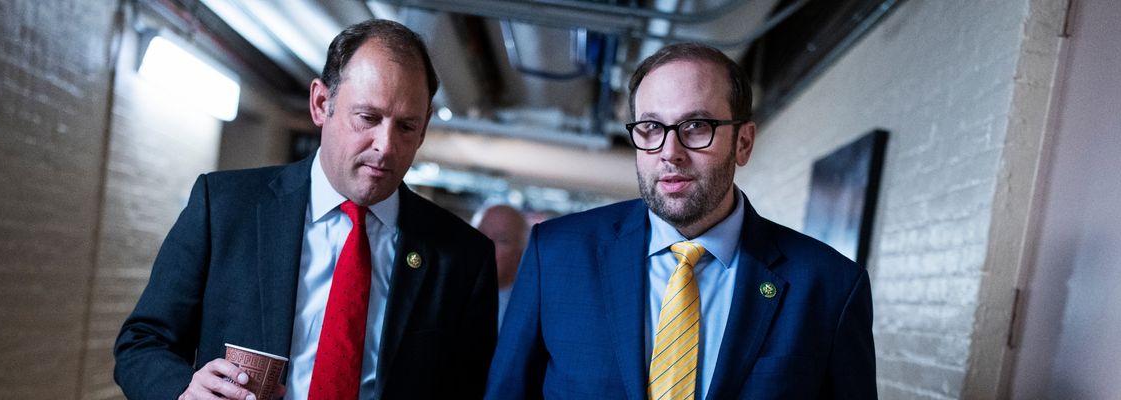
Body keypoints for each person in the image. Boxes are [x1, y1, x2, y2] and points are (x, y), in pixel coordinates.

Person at [114, 20, 497, 400]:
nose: (386, 146)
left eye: (406, 126)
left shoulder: (462, 258)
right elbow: (143, 342)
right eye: (368, 118)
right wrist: (183, 392)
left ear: (426, 126)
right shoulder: (226, 207)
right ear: (321, 103)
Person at [486, 42, 876, 399]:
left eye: (696, 126)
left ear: (743, 143)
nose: (670, 152)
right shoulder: (555, 254)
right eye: (651, 127)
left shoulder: (830, 287)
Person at [471, 204, 530, 327]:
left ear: (523, 252)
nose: (485, 247)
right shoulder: (444, 293)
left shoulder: (529, 312)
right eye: (479, 235)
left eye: (502, 240)